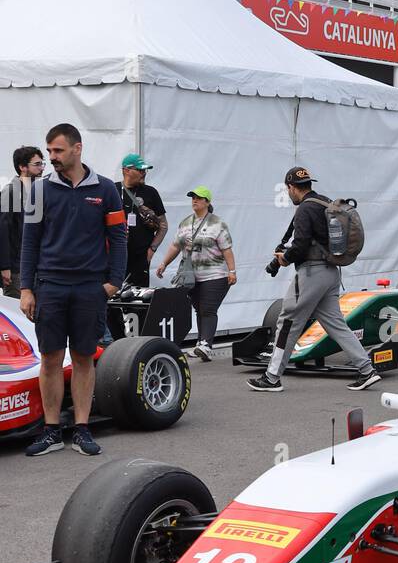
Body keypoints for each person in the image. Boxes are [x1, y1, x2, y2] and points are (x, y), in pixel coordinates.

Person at [19, 124, 126, 458]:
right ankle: (51, 431)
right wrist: (25, 288)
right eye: (49, 152)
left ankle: (82, 428)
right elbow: (29, 241)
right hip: (49, 286)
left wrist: (113, 282)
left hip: (89, 288)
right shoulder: (39, 191)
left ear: (77, 149)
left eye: (58, 151)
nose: (52, 158)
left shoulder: (106, 190)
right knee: (50, 358)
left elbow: (120, 237)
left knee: (83, 357)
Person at [247, 166, 381, 393]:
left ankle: (271, 377)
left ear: (291, 187)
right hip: (331, 272)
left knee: (287, 321)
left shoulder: (304, 210)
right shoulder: (325, 203)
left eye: (288, 189)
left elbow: (299, 246)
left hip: (312, 273)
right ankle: (367, 370)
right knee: (336, 324)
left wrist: (284, 258)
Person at [157, 187, 237, 360]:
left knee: (208, 309)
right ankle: (202, 344)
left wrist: (232, 271)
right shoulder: (185, 223)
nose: (194, 200)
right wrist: (163, 263)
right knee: (199, 309)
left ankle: (206, 344)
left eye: (199, 198)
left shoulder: (217, 223)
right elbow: (175, 246)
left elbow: (227, 249)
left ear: (207, 202)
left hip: (215, 275)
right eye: (192, 198)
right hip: (192, 276)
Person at [117, 154, 168, 287]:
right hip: (116, 256)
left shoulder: (151, 192)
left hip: (141, 258)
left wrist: (152, 249)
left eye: (145, 170)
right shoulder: (112, 189)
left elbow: (163, 226)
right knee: (113, 298)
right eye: (140, 170)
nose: (144, 173)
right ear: (126, 170)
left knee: (138, 299)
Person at [1, 145, 45, 297]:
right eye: (37, 164)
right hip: (16, 269)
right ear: (22, 167)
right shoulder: (11, 190)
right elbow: (3, 230)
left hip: (36, 267)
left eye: (42, 163)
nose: (42, 168)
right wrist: (5, 266)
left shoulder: (38, 191)